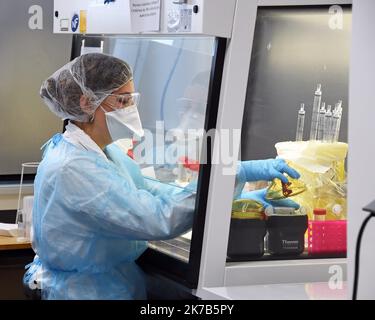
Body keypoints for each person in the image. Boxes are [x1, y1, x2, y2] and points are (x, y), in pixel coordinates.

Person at [24, 53, 300, 300]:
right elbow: (156, 218)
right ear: (86, 103)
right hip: (81, 293)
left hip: (108, 283)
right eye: (122, 100)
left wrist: (232, 199)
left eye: (132, 100)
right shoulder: (73, 167)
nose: (130, 109)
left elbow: (152, 194)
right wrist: (233, 174)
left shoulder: (103, 152)